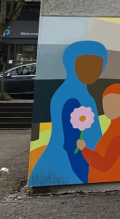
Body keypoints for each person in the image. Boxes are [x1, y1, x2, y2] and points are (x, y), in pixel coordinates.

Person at [31, 41, 107, 187]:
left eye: (98, 64)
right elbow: (71, 146)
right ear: (71, 65)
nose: (92, 69)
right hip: (72, 167)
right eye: (85, 64)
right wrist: (88, 176)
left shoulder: (80, 94)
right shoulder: (72, 98)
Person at [78, 83, 120, 184]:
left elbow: (104, 165)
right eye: (106, 102)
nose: (109, 107)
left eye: (115, 103)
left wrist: (84, 149)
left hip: (114, 183)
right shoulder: (114, 129)